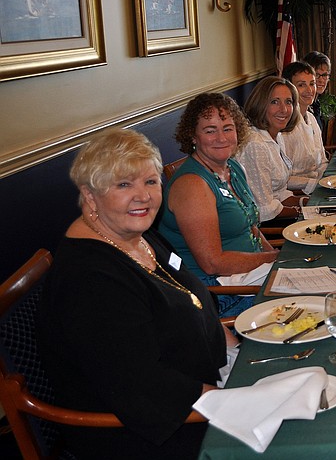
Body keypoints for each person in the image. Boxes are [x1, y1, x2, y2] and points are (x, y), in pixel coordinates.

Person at [38, 129, 236, 458]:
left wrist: (239, 356)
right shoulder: (90, 282)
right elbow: (145, 389)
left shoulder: (138, 236)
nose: (143, 196)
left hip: (202, 390)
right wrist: (238, 402)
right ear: (90, 196)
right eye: (123, 184)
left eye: (150, 181)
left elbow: (192, 298)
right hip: (149, 434)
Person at [159, 93, 277, 317]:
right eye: (210, 130)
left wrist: (275, 257)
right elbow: (213, 263)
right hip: (219, 294)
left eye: (227, 127)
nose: (221, 138)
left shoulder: (232, 167)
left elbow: (250, 226)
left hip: (252, 276)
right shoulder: (192, 185)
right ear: (193, 136)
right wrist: (274, 260)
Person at [235, 76, 306, 225]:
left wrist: (306, 202)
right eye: (274, 102)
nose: (284, 109)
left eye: (289, 102)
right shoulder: (255, 144)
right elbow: (264, 211)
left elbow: (279, 193)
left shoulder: (276, 136)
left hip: (279, 217)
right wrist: (306, 211)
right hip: (266, 228)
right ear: (260, 104)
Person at [278, 61, 328, 193]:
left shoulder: (311, 118)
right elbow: (283, 180)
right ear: (289, 89)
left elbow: (322, 162)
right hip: (298, 194)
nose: (309, 90)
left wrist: (330, 181)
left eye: (312, 84)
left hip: (319, 187)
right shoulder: (285, 128)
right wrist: (315, 184)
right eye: (301, 85)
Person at [303, 50, 333, 134]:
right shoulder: (303, 106)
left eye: (324, 75)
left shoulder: (316, 104)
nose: (321, 80)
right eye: (316, 75)